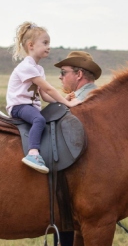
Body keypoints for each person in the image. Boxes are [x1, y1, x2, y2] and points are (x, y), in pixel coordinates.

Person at [50, 51, 111, 246]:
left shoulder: (89, 100)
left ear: (79, 74)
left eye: (64, 73)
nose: (61, 77)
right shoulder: (77, 98)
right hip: (75, 186)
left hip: (79, 189)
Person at [6, 21, 80, 174]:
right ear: (31, 45)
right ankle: (33, 154)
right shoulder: (26, 67)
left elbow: (45, 96)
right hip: (19, 106)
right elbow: (47, 88)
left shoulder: (38, 69)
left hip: (30, 107)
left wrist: (63, 99)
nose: (48, 46)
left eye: (49, 43)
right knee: (38, 120)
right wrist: (67, 102)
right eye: (45, 43)